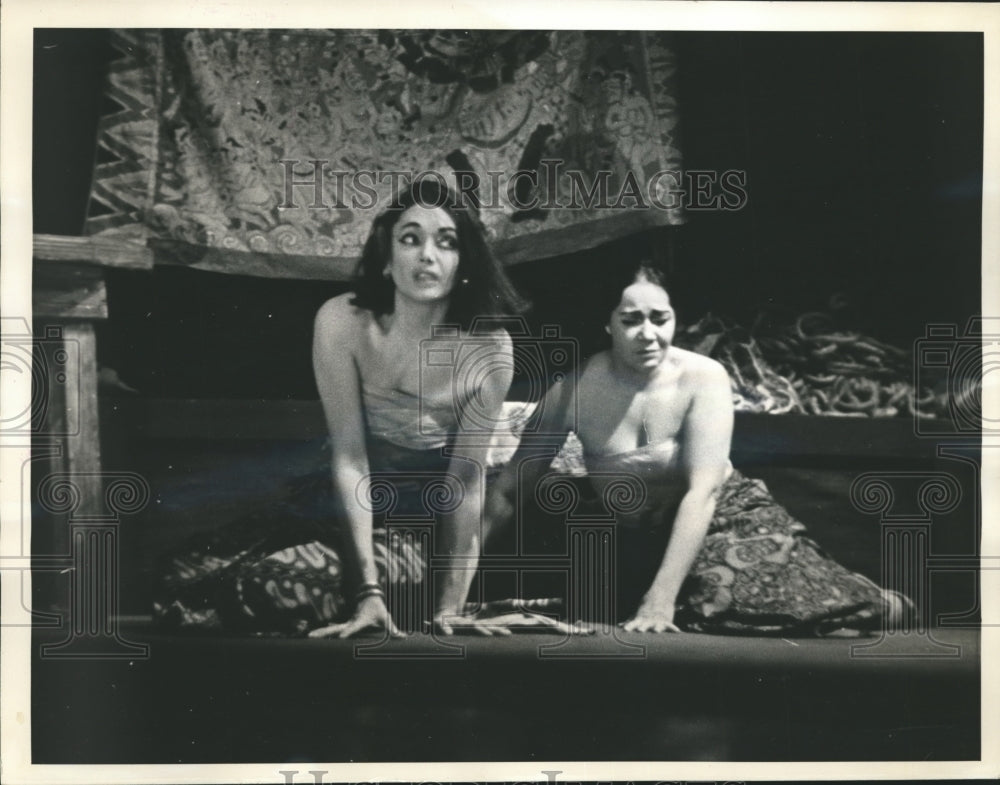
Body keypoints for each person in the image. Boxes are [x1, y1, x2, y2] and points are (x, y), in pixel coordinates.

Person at [153, 180, 571, 637]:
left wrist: (451, 607)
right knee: (183, 578)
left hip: (420, 522)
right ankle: (367, 594)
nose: (427, 255)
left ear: (464, 262)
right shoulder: (343, 322)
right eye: (410, 239)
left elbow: (465, 484)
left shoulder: (490, 349)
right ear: (388, 261)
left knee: (273, 585)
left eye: (446, 242)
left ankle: (413, 597)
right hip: (340, 501)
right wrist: (366, 592)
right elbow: (351, 460)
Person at [488, 260, 907, 635]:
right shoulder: (573, 391)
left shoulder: (703, 377)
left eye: (660, 318)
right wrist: (452, 588)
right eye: (631, 320)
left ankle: (878, 602)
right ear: (607, 324)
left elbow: (702, 491)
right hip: (635, 537)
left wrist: (660, 601)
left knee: (742, 601)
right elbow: (508, 491)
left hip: (721, 519)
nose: (648, 334)